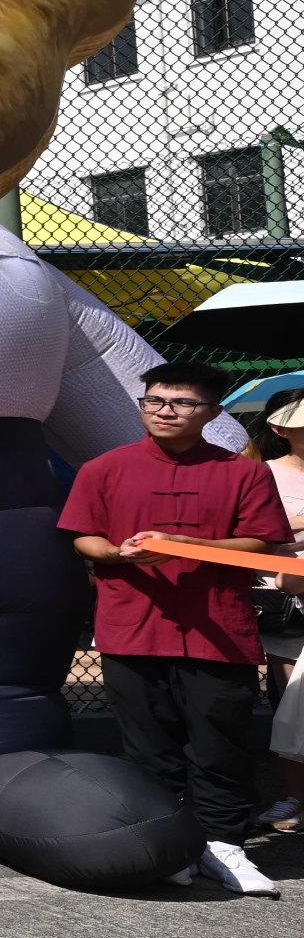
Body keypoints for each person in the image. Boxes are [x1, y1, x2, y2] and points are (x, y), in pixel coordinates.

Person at [61, 360, 288, 895]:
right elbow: (83, 538)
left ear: (211, 412)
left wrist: (183, 546)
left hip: (220, 629)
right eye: (155, 401)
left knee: (220, 741)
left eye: (182, 402)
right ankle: (167, 846)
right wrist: (118, 553)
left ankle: (223, 845)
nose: (165, 411)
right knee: (147, 744)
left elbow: (261, 543)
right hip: (132, 625)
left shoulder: (245, 472)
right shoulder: (103, 468)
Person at [257, 394, 304, 835]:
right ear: (280, 429)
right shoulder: (261, 475)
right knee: (290, 702)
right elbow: (253, 535)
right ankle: (294, 797)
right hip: (287, 601)